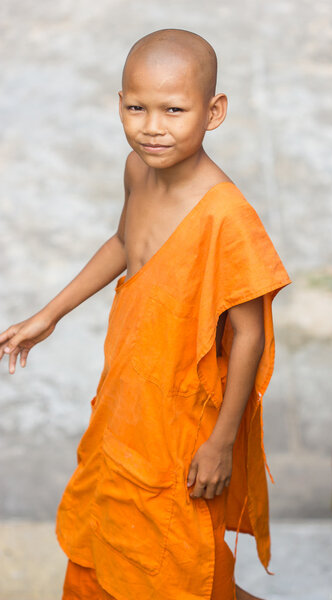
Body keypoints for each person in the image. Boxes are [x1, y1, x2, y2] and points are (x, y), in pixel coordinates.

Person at [0, 28, 291, 600]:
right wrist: (49, 314)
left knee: (184, 572)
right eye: (137, 107)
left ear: (214, 112)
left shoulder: (226, 217)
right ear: (119, 105)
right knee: (103, 543)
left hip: (183, 427)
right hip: (127, 402)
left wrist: (220, 444)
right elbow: (123, 241)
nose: (152, 126)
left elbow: (250, 337)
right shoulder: (139, 170)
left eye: (174, 110)